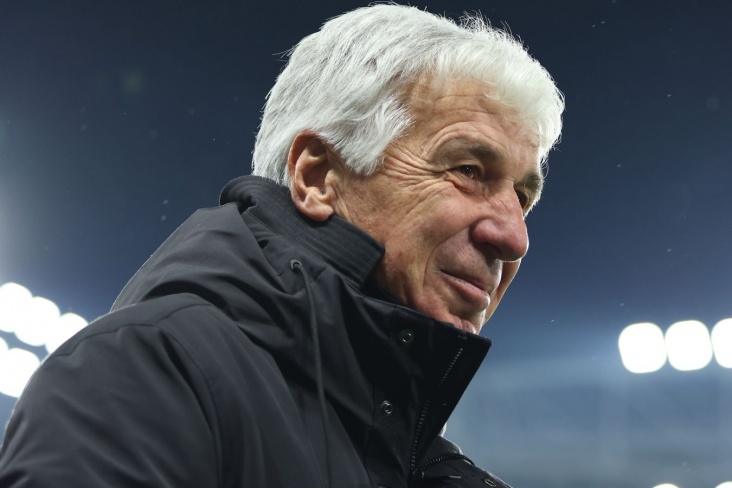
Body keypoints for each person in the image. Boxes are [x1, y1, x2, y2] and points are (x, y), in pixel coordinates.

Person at [0, 4, 563, 487]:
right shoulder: (144, 375)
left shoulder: (433, 467)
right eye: (468, 170)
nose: (513, 237)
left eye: (522, 197)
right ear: (317, 178)